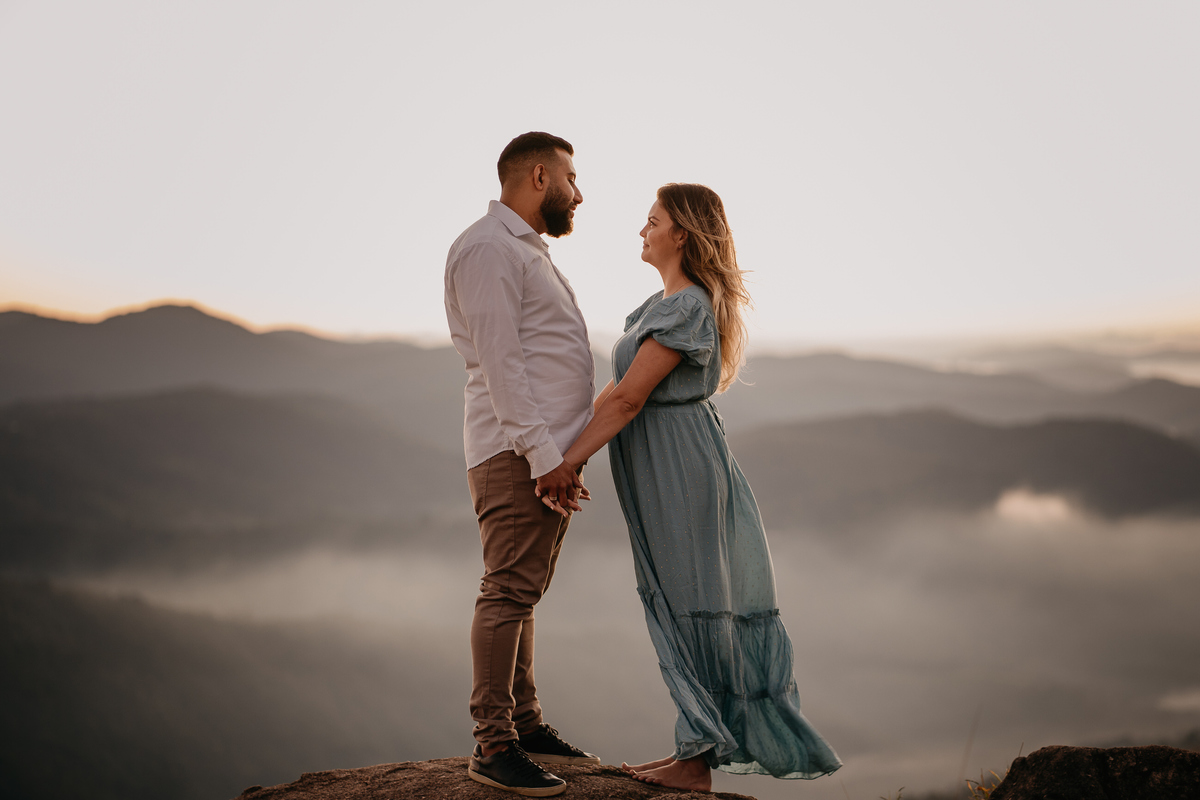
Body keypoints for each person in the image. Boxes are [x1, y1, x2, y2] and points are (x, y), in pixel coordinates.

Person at [547, 183, 843, 792]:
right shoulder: (663, 304)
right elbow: (617, 392)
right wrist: (566, 457)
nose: (641, 230)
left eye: (650, 221)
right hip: (663, 464)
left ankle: (696, 758)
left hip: (680, 466)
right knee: (675, 596)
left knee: (691, 600)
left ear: (680, 234)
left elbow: (630, 398)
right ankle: (694, 747)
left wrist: (566, 463)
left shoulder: (685, 308)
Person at [444, 131, 601, 797]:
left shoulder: (519, 248)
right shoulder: (487, 248)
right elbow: (502, 364)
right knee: (508, 588)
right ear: (538, 176)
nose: (579, 192)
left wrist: (561, 456)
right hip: (518, 454)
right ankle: (494, 743)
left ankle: (527, 724)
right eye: (571, 177)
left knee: (523, 588)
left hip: (541, 455)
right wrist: (542, 457)